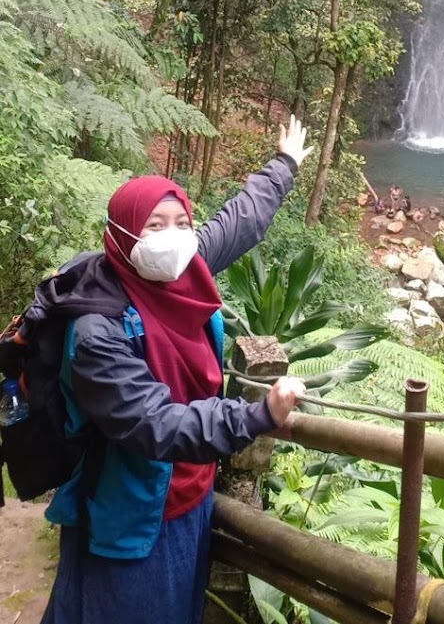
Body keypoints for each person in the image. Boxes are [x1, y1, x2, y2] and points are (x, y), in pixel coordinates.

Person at [40, 115, 312, 624]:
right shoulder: (96, 328)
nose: (174, 238)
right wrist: (257, 415)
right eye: (154, 226)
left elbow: (241, 220)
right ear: (121, 238)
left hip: (188, 498)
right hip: (128, 508)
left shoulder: (180, 269)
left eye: (182, 224)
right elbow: (152, 424)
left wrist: (286, 164)